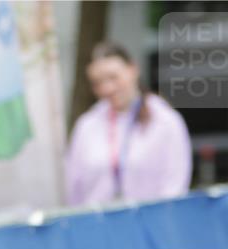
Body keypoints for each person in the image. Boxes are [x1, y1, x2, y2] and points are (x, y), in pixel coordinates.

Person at [65, 41, 192, 207]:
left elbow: (175, 187)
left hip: (150, 221)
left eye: (113, 77)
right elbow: (74, 190)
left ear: (132, 70)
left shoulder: (165, 122)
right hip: (97, 221)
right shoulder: (86, 126)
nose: (107, 88)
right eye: (97, 83)